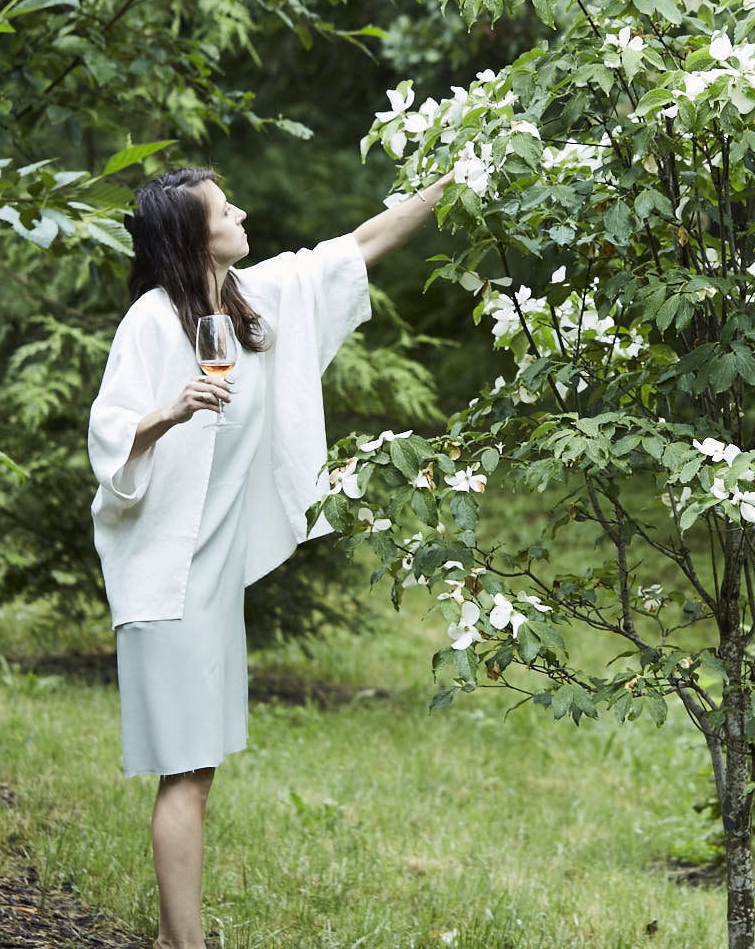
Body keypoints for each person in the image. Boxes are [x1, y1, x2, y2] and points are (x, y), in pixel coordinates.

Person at [86, 166, 448, 949]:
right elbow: (109, 433)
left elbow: (358, 247)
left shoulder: (251, 301)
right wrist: (172, 409)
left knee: (198, 770)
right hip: (165, 579)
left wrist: (450, 183)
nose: (242, 210)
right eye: (225, 208)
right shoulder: (152, 321)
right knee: (182, 771)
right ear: (192, 234)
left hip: (211, 583)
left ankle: (170, 937)